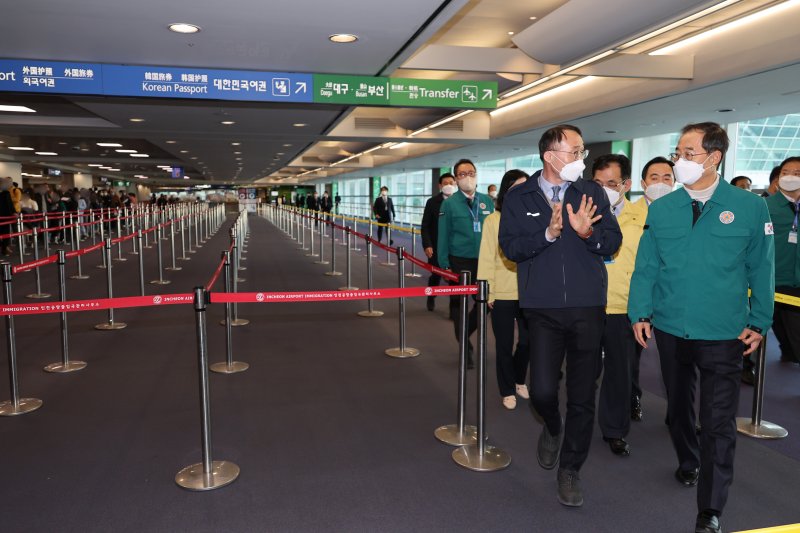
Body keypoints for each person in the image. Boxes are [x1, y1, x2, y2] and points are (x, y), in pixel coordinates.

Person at [628, 122, 774, 533]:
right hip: (672, 328)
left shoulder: (749, 207)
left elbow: (762, 268)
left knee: (717, 420)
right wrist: (640, 312)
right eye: (678, 152)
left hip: (724, 332)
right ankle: (688, 459)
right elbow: (647, 267)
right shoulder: (663, 208)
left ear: (714, 157)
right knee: (678, 409)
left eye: (687, 153)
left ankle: (710, 508)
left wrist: (759, 320)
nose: (679, 161)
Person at [499, 125, 621, 507]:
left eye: (582, 151)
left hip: (587, 306)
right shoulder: (520, 197)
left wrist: (588, 235)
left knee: (583, 395)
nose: (581, 160)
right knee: (543, 391)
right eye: (575, 152)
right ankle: (552, 427)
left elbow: (612, 241)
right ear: (550, 156)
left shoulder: (592, 192)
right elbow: (510, 248)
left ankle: (570, 470)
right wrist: (548, 235)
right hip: (543, 308)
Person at [477, 169, 530, 409]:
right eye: (516, 187)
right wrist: (489, 291)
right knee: (503, 344)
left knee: (528, 342)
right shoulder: (493, 220)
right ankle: (507, 388)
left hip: (530, 292)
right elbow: (487, 257)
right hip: (502, 291)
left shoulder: (534, 217)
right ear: (506, 191)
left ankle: (519, 379)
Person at [439, 159, 494, 367]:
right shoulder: (449, 203)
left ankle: (464, 333)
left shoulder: (487, 201)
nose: (467, 177)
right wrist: (444, 264)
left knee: (485, 303)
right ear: (455, 179)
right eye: (462, 174)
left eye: (471, 173)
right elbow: (443, 235)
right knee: (459, 305)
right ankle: (465, 346)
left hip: (484, 260)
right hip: (459, 261)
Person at [765, 156, 800, 365]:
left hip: (796, 283)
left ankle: (790, 352)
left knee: (794, 332)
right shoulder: (764, 206)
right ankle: (746, 368)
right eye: (786, 172)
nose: (790, 177)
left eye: (797, 173)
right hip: (770, 279)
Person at [420, 173, 457, 313]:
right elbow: (425, 226)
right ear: (440, 186)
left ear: (455, 184)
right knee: (435, 275)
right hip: (436, 247)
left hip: (455, 248)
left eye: (451, 182)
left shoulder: (462, 201)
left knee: (455, 278)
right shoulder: (432, 202)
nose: (448, 185)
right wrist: (427, 244)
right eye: (445, 183)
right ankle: (431, 297)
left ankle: (454, 309)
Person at [0, 178, 15, 255]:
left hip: (6, 217)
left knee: (6, 233)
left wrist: (14, 212)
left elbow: (10, 205)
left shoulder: (6, 193)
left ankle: (5, 248)